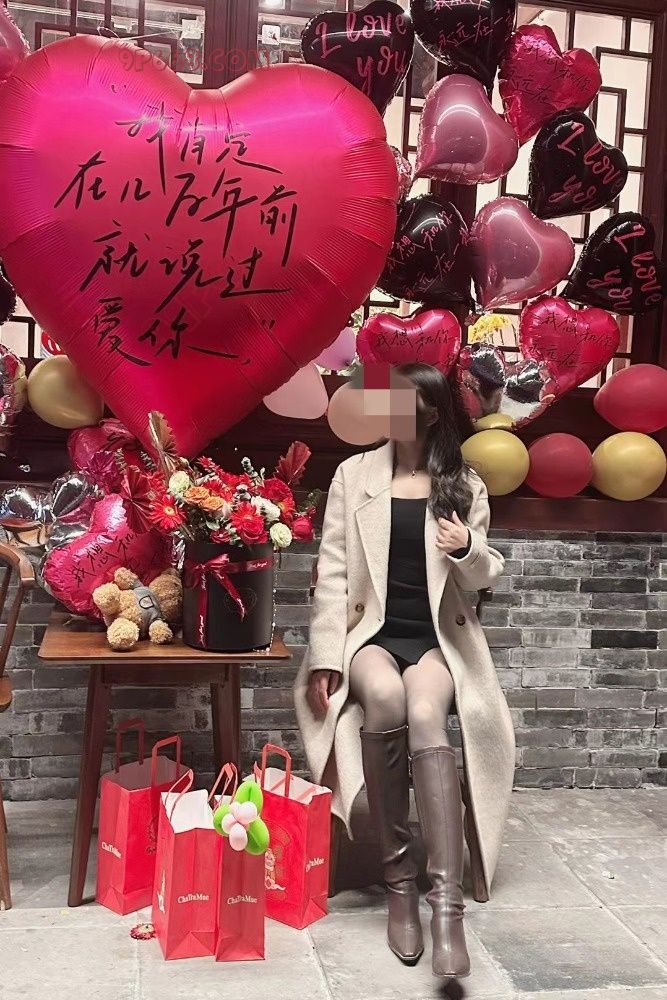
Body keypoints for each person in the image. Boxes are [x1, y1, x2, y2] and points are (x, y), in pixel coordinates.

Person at [294, 363, 516, 980]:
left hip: (438, 640)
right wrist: (326, 656)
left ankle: (445, 906)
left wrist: (465, 549)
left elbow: (485, 573)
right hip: (371, 636)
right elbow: (332, 575)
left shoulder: (463, 483)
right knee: (386, 698)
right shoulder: (353, 475)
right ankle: (399, 886)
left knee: (424, 711)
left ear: (433, 413)